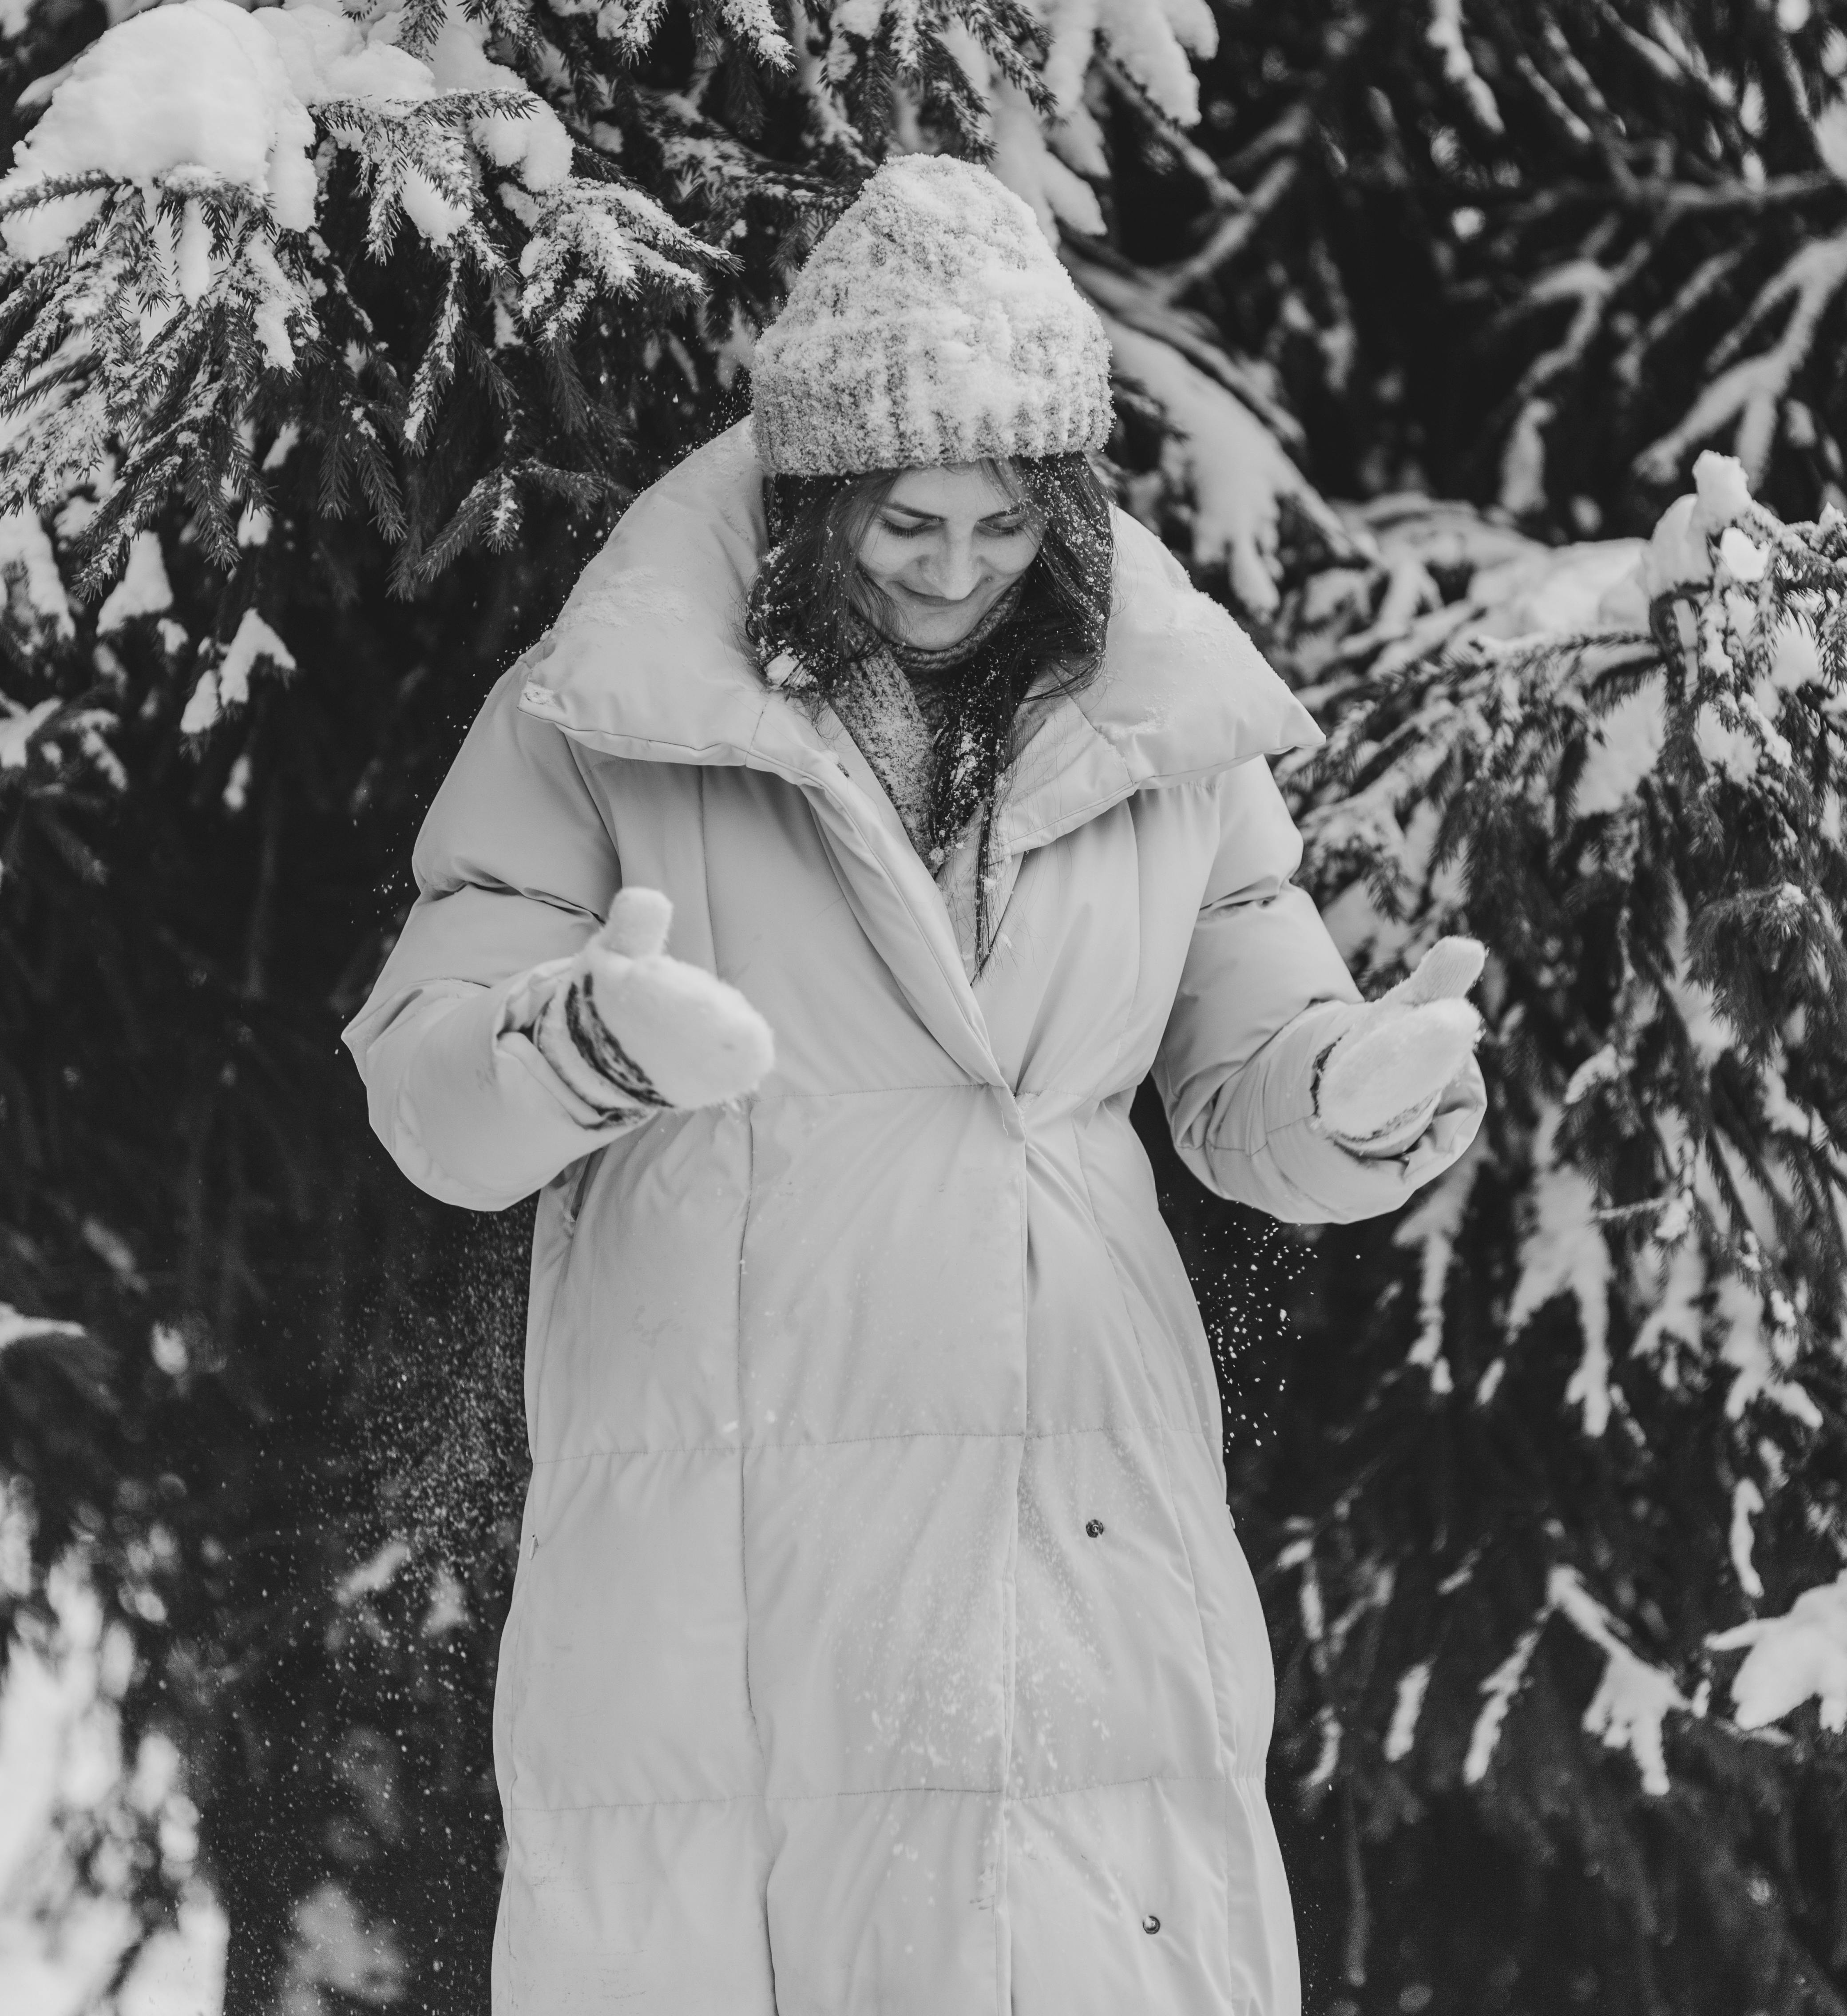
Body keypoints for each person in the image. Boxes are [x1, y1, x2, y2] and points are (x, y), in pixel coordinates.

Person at [345, 154, 1486, 2016]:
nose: (952, 573)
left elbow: (1245, 1085)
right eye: (899, 525)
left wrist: (1358, 1096)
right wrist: (588, 1042)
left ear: (1064, 508)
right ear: (811, 501)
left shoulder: (1160, 725)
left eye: (999, 525)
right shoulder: (610, 714)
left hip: (1074, 1476)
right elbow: (429, 1098)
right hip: (737, 1484)